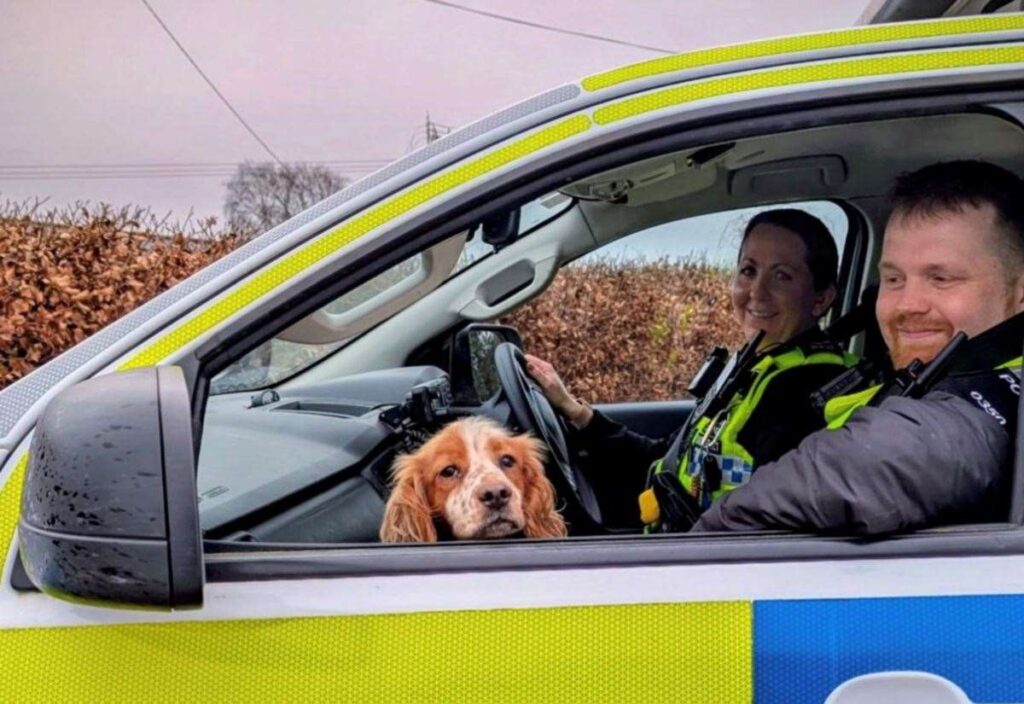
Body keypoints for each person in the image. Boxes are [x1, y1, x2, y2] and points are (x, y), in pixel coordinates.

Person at [692, 160, 1024, 535]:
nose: (906, 305)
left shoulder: (992, 401)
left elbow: (909, 453)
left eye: (941, 278)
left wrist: (694, 550)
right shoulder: (921, 379)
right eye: (894, 278)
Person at [526, 208, 857, 519]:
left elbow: (765, 527)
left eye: (782, 276)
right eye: (748, 271)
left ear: (821, 298)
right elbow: (664, 459)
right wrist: (575, 411)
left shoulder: (806, 392)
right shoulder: (755, 369)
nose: (757, 292)